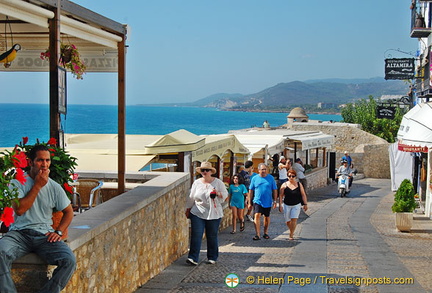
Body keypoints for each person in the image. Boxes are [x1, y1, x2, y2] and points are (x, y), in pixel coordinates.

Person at [0, 144, 76, 293]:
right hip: (19, 234)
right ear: (30, 162)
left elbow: (69, 212)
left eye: (47, 160)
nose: (45, 164)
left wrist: (59, 231)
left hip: (44, 235)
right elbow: (20, 210)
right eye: (40, 160)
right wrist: (37, 186)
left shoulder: (54, 186)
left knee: (69, 260)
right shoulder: (17, 183)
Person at [185, 161, 228, 265]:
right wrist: (188, 208)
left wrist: (217, 193)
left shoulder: (218, 182)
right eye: (203, 170)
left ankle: (212, 257)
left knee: (212, 235)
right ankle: (193, 257)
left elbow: (225, 195)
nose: (204, 172)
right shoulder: (197, 182)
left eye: (207, 170)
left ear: (211, 172)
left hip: (214, 213)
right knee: (196, 234)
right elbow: (191, 197)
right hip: (197, 212)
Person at [248, 163, 278, 240]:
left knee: (266, 217)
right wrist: (249, 202)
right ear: (259, 170)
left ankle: (265, 232)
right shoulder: (254, 178)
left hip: (268, 201)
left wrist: (275, 201)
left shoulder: (271, 178)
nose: (264, 171)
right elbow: (251, 191)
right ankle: (257, 234)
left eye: (265, 169)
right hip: (257, 201)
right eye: (262, 169)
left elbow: (274, 190)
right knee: (257, 215)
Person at [279, 169, 308, 240]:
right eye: (289, 176)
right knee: (287, 221)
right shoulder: (284, 185)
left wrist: (305, 204)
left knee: (294, 219)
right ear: (287, 176)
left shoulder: (299, 184)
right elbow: (281, 195)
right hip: (287, 205)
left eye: (293, 176)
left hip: (296, 204)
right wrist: (280, 205)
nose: (291, 177)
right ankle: (292, 230)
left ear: (295, 176)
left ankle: (291, 234)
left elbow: (303, 194)